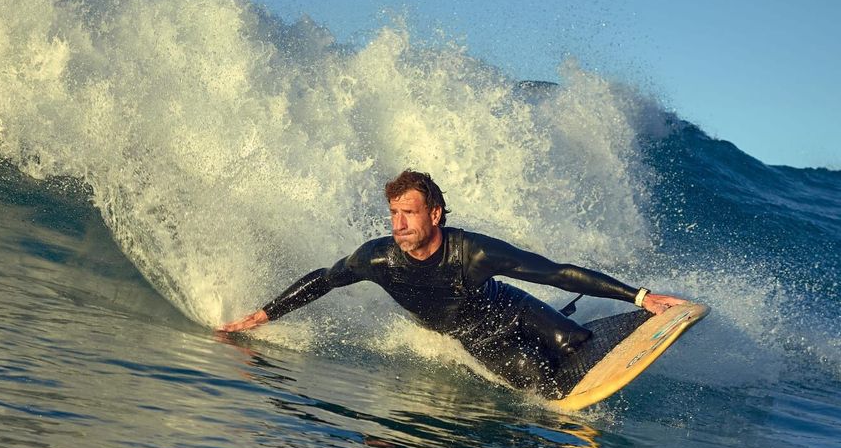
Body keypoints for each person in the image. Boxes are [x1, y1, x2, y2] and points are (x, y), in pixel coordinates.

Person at [219, 169, 686, 398]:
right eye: (394, 213)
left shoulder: (474, 252)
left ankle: (623, 322)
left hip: (512, 307)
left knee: (575, 341)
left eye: (409, 213)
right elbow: (325, 279)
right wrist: (261, 316)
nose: (399, 224)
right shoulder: (378, 257)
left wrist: (640, 295)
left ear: (435, 214)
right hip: (475, 337)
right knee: (537, 380)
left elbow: (553, 271)